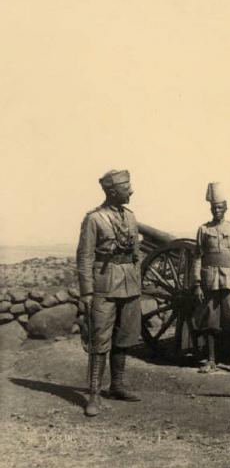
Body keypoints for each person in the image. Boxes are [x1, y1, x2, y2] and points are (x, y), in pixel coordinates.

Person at [76, 169, 141, 416]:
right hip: (104, 285)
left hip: (130, 284)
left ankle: (118, 385)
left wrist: (137, 283)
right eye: (127, 187)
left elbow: (135, 254)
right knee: (99, 340)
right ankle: (93, 393)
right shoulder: (94, 219)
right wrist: (86, 292)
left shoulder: (131, 217)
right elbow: (84, 256)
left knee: (124, 336)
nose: (131, 191)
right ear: (112, 191)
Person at [191, 182, 230, 373]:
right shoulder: (203, 230)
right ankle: (211, 360)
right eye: (214, 207)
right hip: (210, 281)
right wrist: (197, 284)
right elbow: (198, 257)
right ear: (211, 208)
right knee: (210, 322)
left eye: (220, 207)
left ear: (225, 208)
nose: (217, 211)